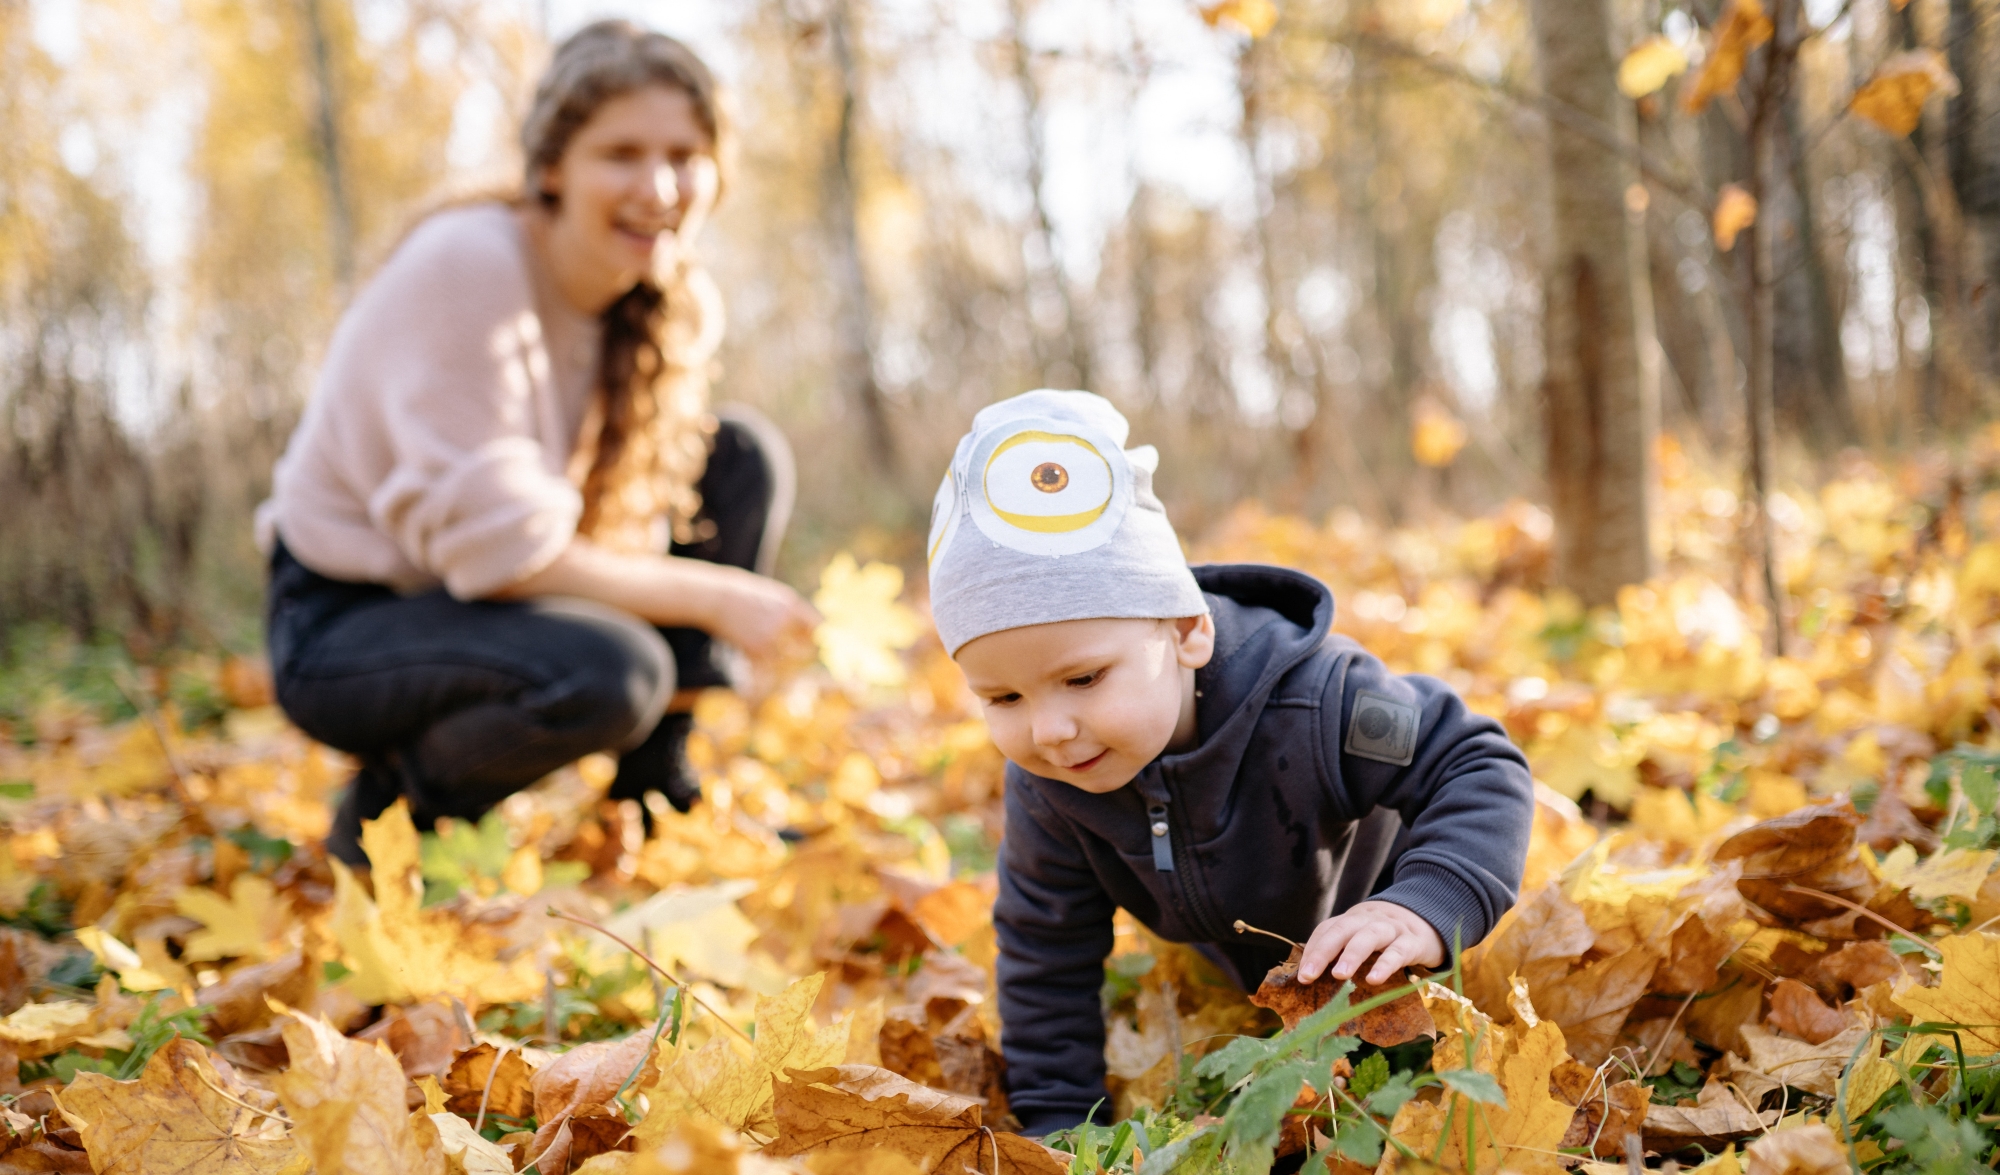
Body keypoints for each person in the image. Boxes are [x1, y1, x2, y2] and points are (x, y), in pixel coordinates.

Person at [256, 21, 818, 868]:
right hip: (346, 624)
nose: (660, 186)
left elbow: (600, 521)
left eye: (684, 154)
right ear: (552, 165)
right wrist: (714, 597)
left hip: (480, 593)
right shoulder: (469, 263)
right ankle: (390, 816)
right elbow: (501, 553)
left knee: (738, 457)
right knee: (613, 670)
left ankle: (651, 789)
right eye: (621, 153)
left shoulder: (653, 293)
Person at [923, 390, 1535, 1136]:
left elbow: (1473, 759)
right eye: (1003, 696)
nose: (1049, 728)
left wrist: (1427, 902)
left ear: (1187, 631)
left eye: (1083, 679)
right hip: (1262, 996)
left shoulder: (1319, 702)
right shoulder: (1053, 787)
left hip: (1406, 965)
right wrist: (1060, 1129)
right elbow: (1045, 950)